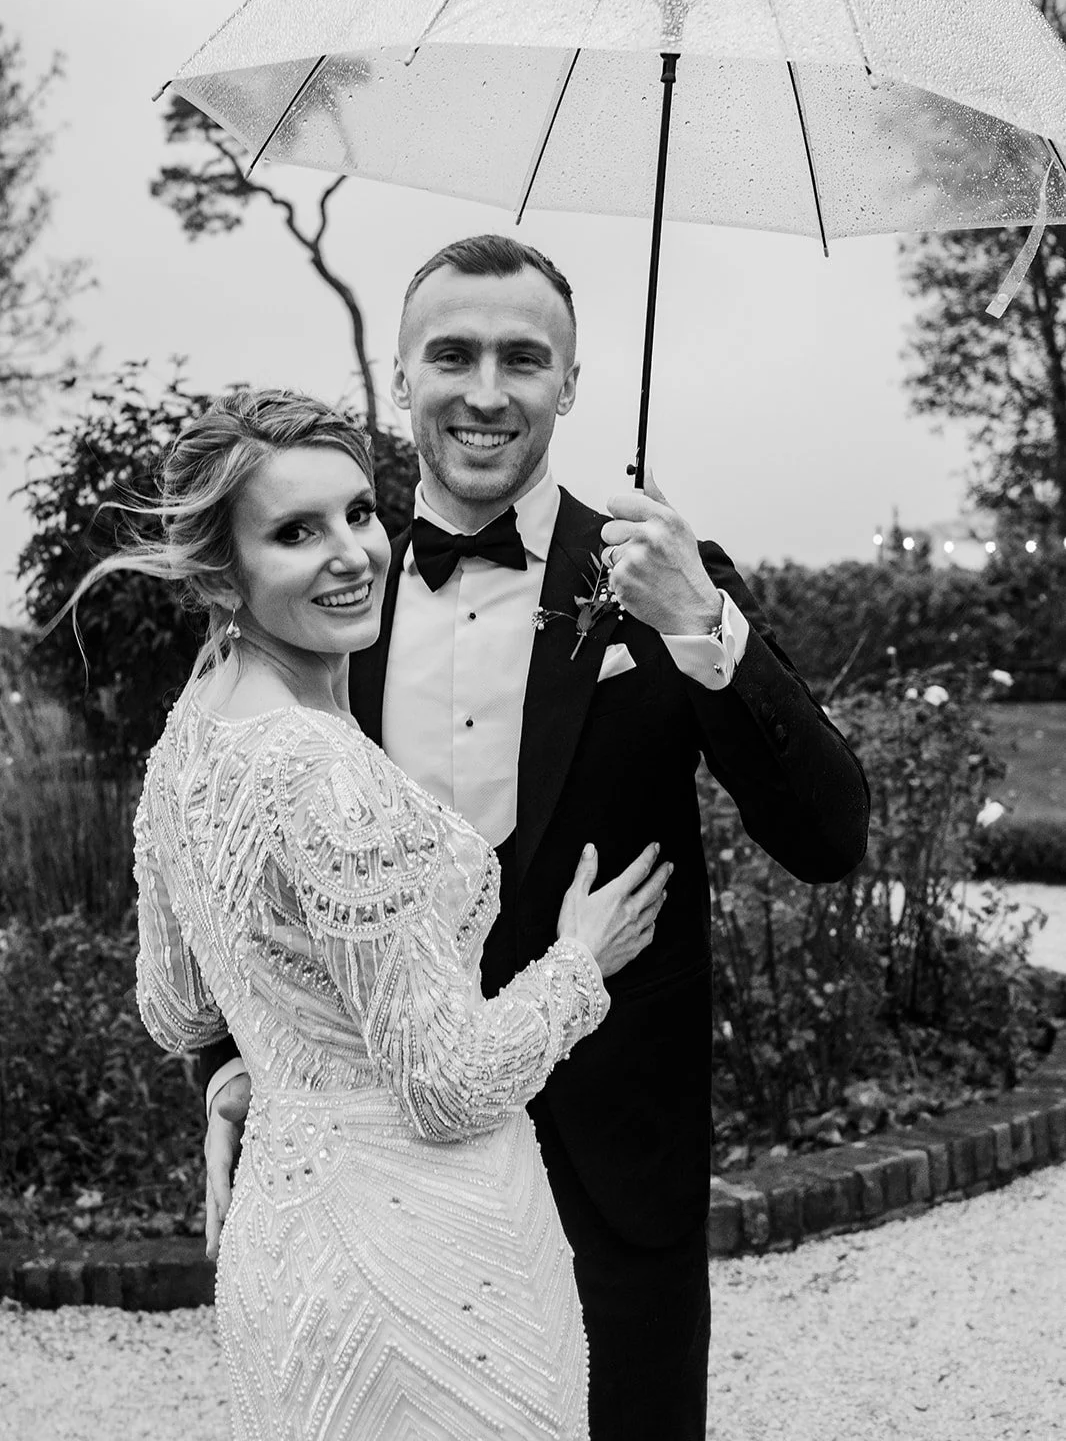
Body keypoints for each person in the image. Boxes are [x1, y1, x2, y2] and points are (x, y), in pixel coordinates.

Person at [199, 235, 871, 1441]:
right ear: (397, 374)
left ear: (569, 382)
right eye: (452, 353)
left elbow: (828, 836)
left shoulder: (662, 580)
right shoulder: (326, 595)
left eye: (524, 357)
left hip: (613, 1153)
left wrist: (702, 627)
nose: (487, 389)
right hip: (391, 1166)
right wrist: (230, 1067)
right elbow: (226, 859)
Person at [85, 388, 674, 1439]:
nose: (353, 551)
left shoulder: (191, 736)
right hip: (434, 1263)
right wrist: (578, 964)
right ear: (223, 571)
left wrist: (261, 1072)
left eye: (359, 512)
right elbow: (443, 1086)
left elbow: (176, 1006)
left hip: (291, 1245)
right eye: (296, 531)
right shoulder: (327, 775)